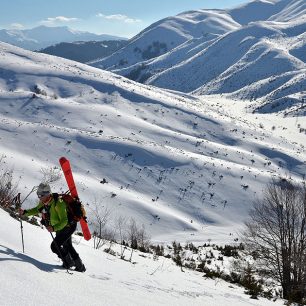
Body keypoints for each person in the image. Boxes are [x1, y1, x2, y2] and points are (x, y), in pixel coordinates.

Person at [20, 183, 86, 272]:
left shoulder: (58, 203)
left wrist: (54, 228)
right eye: (38, 195)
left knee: (55, 246)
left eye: (41, 195)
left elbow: (64, 221)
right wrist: (25, 212)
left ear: (47, 194)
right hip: (59, 227)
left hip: (68, 226)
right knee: (67, 245)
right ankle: (79, 266)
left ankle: (69, 263)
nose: (39, 197)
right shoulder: (44, 202)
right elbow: (36, 209)